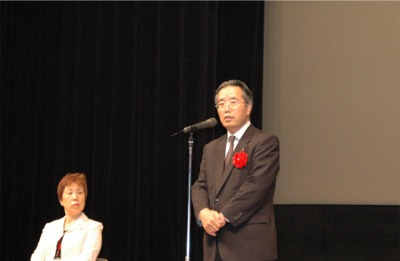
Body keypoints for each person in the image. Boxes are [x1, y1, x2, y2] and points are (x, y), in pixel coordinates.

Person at [191, 79, 280, 261]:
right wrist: (203, 213)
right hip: (213, 247)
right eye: (221, 104)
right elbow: (201, 185)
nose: (226, 108)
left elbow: (257, 186)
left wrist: (223, 217)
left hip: (248, 246)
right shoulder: (211, 148)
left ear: (248, 107)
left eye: (233, 102)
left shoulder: (264, 142)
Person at [31, 173, 103, 261]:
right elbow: (37, 256)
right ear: (61, 200)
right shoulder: (50, 227)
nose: (75, 197)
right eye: (70, 193)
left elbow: (87, 258)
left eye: (79, 192)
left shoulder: (93, 227)